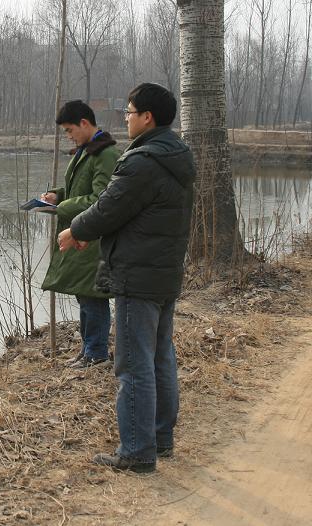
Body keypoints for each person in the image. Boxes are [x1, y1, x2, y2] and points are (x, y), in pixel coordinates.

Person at [58, 83, 195, 473]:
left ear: (147, 117)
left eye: (130, 112)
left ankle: (137, 452)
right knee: (160, 356)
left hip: (138, 274)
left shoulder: (142, 161)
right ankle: (161, 440)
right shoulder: (177, 154)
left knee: (134, 364)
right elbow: (135, 211)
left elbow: (109, 207)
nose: (126, 118)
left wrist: (76, 230)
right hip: (164, 272)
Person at [41, 100, 120, 368]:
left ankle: (96, 353)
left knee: (93, 296)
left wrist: (61, 206)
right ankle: (87, 350)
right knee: (83, 294)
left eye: (69, 130)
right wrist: (57, 195)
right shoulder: (87, 150)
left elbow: (101, 198)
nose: (68, 136)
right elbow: (79, 190)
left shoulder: (105, 154)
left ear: (84, 123)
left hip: (94, 236)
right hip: (83, 232)